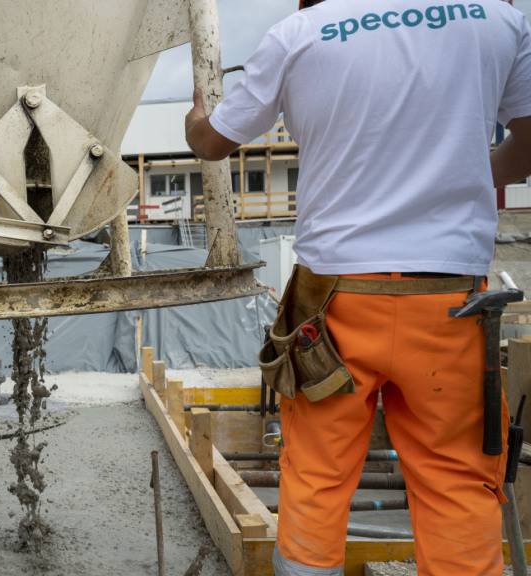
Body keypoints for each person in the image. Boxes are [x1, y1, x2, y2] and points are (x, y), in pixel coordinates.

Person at [186, 0, 531, 574]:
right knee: (456, 479)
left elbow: (213, 143)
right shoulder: (496, 20)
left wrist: (195, 118)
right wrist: (464, 172)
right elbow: (527, 146)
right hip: (450, 302)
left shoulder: (299, 33)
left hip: (333, 304)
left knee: (317, 475)